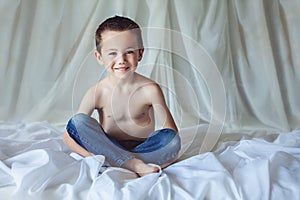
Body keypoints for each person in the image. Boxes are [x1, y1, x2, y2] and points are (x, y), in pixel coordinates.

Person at [63, 15, 181, 177]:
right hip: (104, 145)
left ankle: (118, 161)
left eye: (129, 52)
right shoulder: (97, 92)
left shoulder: (150, 89)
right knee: (78, 121)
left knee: (171, 139)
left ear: (140, 54)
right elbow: (70, 134)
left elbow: (171, 131)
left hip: (143, 147)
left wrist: (171, 153)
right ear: (99, 57)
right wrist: (91, 156)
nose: (121, 60)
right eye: (112, 53)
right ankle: (133, 164)